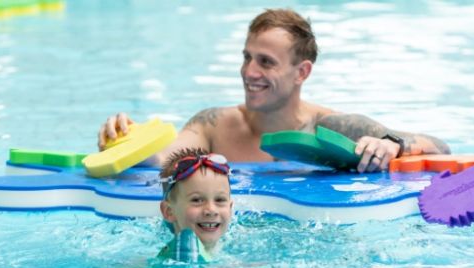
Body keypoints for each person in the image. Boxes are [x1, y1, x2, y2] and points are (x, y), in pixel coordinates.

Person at [98, 8, 450, 173]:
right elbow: (163, 161)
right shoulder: (213, 125)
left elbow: (442, 149)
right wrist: (127, 143)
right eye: (247, 57)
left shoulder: (333, 128)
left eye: (266, 62)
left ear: (302, 72)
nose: (249, 72)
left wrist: (392, 144)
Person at [156, 147, 233, 262]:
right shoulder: (175, 258)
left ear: (231, 208)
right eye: (197, 200)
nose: (211, 210)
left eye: (220, 200)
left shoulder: (234, 246)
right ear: (169, 211)